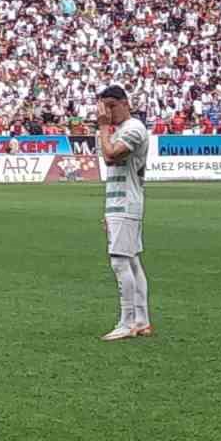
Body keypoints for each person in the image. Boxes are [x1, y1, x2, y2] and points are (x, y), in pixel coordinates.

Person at [95, 86, 152, 342]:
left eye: (110, 105)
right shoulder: (120, 130)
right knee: (131, 261)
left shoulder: (133, 129)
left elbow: (110, 157)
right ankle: (141, 321)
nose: (106, 112)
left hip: (127, 203)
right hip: (120, 203)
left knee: (120, 261)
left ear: (124, 103)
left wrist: (103, 128)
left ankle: (127, 321)